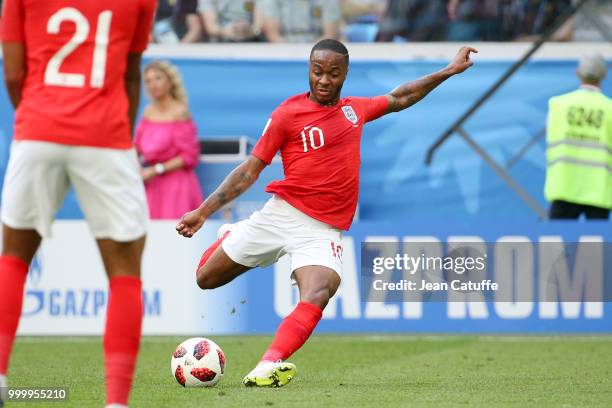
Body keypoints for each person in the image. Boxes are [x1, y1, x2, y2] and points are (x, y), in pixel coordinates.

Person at [176, 39, 477, 387]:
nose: (323, 80)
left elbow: (401, 97)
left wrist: (449, 71)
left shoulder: (354, 111)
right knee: (206, 278)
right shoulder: (286, 114)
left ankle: (267, 364)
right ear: (309, 68)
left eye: (333, 74)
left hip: (321, 230)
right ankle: (230, 235)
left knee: (321, 290)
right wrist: (203, 211)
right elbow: (249, 171)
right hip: (281, 215)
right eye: (317, 71)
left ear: (345, 74)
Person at [1, 0, 155, 407]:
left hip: (37, 128)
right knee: (125, 271)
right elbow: (129, 74)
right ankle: (116, 402)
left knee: (14, 257)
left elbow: (14, 72)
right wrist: (118, 133)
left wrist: (40, 119)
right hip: (105, 135)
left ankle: (0, 375)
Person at [545, 54, 611, 220]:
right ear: (603, 76)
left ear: (578, 73)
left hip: (564, 185)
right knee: (596, 245)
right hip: (599, 188)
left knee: (558, 243)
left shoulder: (558, 104)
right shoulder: (609, 108)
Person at [135, 61, 204, 220]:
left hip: (176, 187)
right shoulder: (147, 112)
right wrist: (137, 168)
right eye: (148, 81)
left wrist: (156, 170)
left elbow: (189, 156)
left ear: (169, 82)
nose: (153, 85)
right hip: (150, 187)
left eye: (157, 78)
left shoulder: (180, 112)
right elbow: (136, 147)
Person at [260, 0, 341, 43]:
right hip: (284, 49)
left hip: (318, 52)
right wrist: (291, 53)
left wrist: (312, 53)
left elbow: (330, 35)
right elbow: (273, 35)